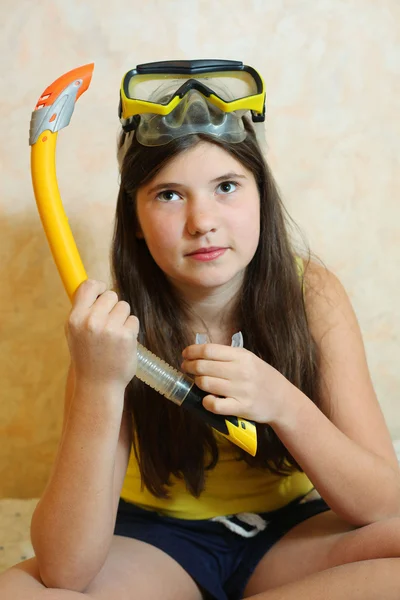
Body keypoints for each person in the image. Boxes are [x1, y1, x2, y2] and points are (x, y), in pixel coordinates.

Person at [1, 59, 400, 600]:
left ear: (263, 195)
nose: (203, 220)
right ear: (136, 222)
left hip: (292, 537)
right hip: (157, 547)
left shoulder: (313, 295)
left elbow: (384, 505)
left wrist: (282, 402)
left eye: (227, 186)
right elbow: (65, 569)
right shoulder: (111, 327)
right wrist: (99, 383)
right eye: (169, 195)